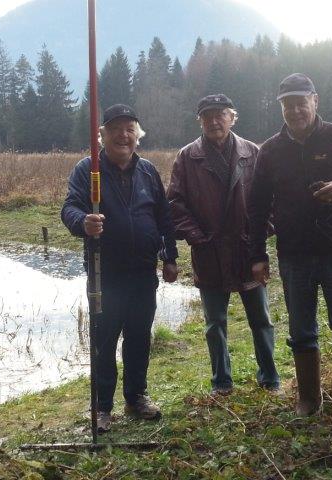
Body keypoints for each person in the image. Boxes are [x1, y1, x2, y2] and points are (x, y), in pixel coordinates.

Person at [248, 74, 332, 425]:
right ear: (281, 108)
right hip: (294, 256)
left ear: (315, 101)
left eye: (301, 102)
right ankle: (308, 400)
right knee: (302, 330)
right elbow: (256, 207)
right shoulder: (270, 150)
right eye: (288, 105)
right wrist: (257, 255)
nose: (295, 110)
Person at [61, 104, 179, 432]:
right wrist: (83, 222)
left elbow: (164, 217)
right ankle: (102, 407)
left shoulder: (148, 172)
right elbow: (69, 207)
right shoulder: (88, 170)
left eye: (129, 129)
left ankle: (136, 397)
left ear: (138, 136)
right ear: (103, 135)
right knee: (104, 340)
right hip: (105, 274)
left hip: (143, 272)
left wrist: (170, 257)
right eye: (115, 129)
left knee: (139, 337)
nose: (123, 136)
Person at [167, 94, 280, 395]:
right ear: (200, 121)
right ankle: (222, 383)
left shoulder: (252, 152)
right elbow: (175, 204)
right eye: (207, 116)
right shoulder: (187, 157)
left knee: (261, 319)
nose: (214, 121)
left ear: (232, 117)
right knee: (214, 323)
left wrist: (259, 234)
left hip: (248, 252)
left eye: (220, 115)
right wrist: (197, 237)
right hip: (209, 253)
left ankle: (270, 379)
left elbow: (272, 200)